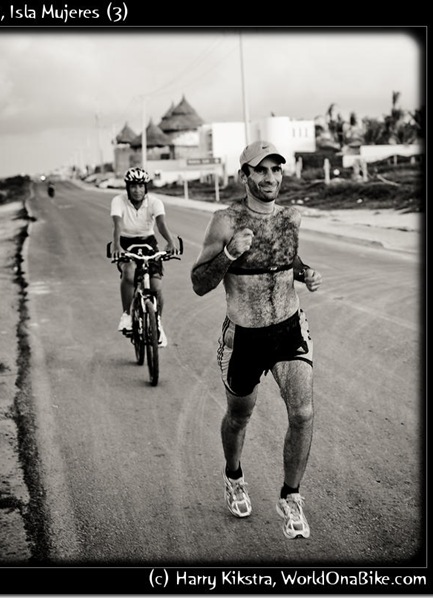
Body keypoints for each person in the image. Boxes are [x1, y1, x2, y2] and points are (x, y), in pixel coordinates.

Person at [190, 141, 323, 539]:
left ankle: (290, 496)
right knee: (239, 416)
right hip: (244, 336)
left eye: (276, 170)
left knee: (302, 413)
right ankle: (233, 475)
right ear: (244, 176)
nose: (270, 178)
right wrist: (229, 253)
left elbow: (286, 262)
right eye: (260, 171)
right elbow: (199, 283)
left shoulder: (291, 217)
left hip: (288, 328)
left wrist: (306, 273)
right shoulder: (225, 221)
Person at [110, 166, 179, 348]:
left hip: (148, 243)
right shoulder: (118, 201)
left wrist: (170, 242)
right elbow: (117, 225)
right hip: (126, 242)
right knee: (130, 273)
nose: (137, 190)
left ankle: (157, 324)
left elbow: (161, 224)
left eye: (141, 186)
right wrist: (116, 246)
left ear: (145, 187)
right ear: (127, 187)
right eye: (133, 186)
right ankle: (126, 315)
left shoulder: (155, 202)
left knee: (156, 286)